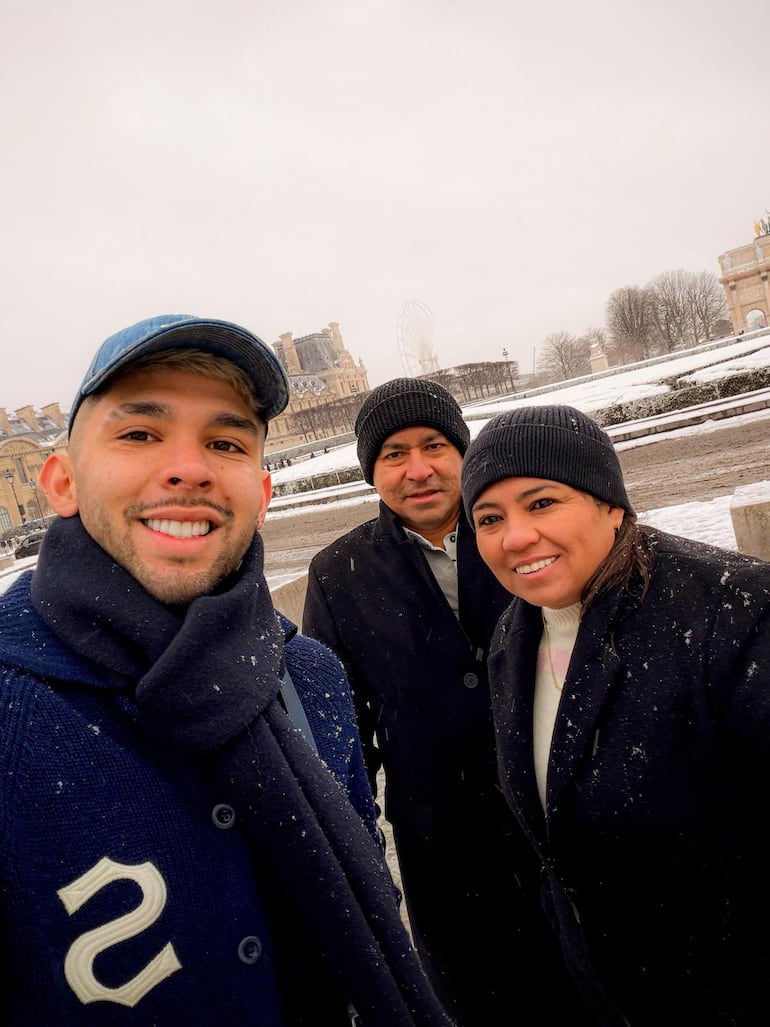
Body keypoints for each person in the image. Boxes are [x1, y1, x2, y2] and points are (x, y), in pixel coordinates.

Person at [0, 315, 453, 1027]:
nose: (190, 467)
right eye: (140, 433)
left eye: (225, 441)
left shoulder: (310, 679)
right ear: (61, 480)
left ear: (263, 494)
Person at [461, 403, 770, 1026]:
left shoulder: (731, 613)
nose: (515, 537)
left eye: (541, 503)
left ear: (610, 503)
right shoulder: (512, 639)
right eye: (489, 518)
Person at [302, 378, 591, 1025]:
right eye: (394, 453)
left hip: (566, 819)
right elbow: (342, 731)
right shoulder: (338, 571)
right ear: (371, 470)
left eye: (434, 444)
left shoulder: (527, 534)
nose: (418, 468)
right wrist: (355, 855)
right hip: (447, 853)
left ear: (464, 448)